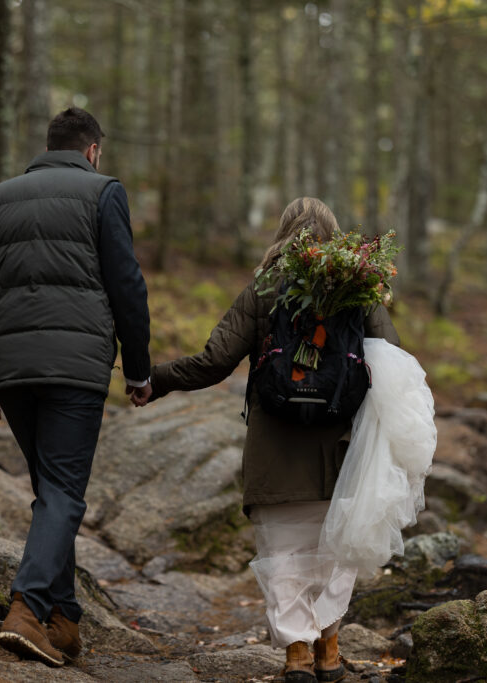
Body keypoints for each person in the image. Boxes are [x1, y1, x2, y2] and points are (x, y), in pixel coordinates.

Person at [148, 197, 401, 683]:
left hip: (275, 446)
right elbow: (389, 361)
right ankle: (329, 648)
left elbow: (214, 361)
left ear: (284, 231)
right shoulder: (356, 287)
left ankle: (298, 655)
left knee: (282, 550)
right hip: (339, 447)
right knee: (335, 550)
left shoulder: (263, 287)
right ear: (334, 236)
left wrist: (156, 379)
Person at [0, 107, 151, 667]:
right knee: (64, 491)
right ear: (93, 150)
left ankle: (64, 619)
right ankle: (27, 607)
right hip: (74, 366)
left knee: (52, 490)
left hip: (10, 368)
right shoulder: (103, 192)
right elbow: (126, 283)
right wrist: (138, 370)